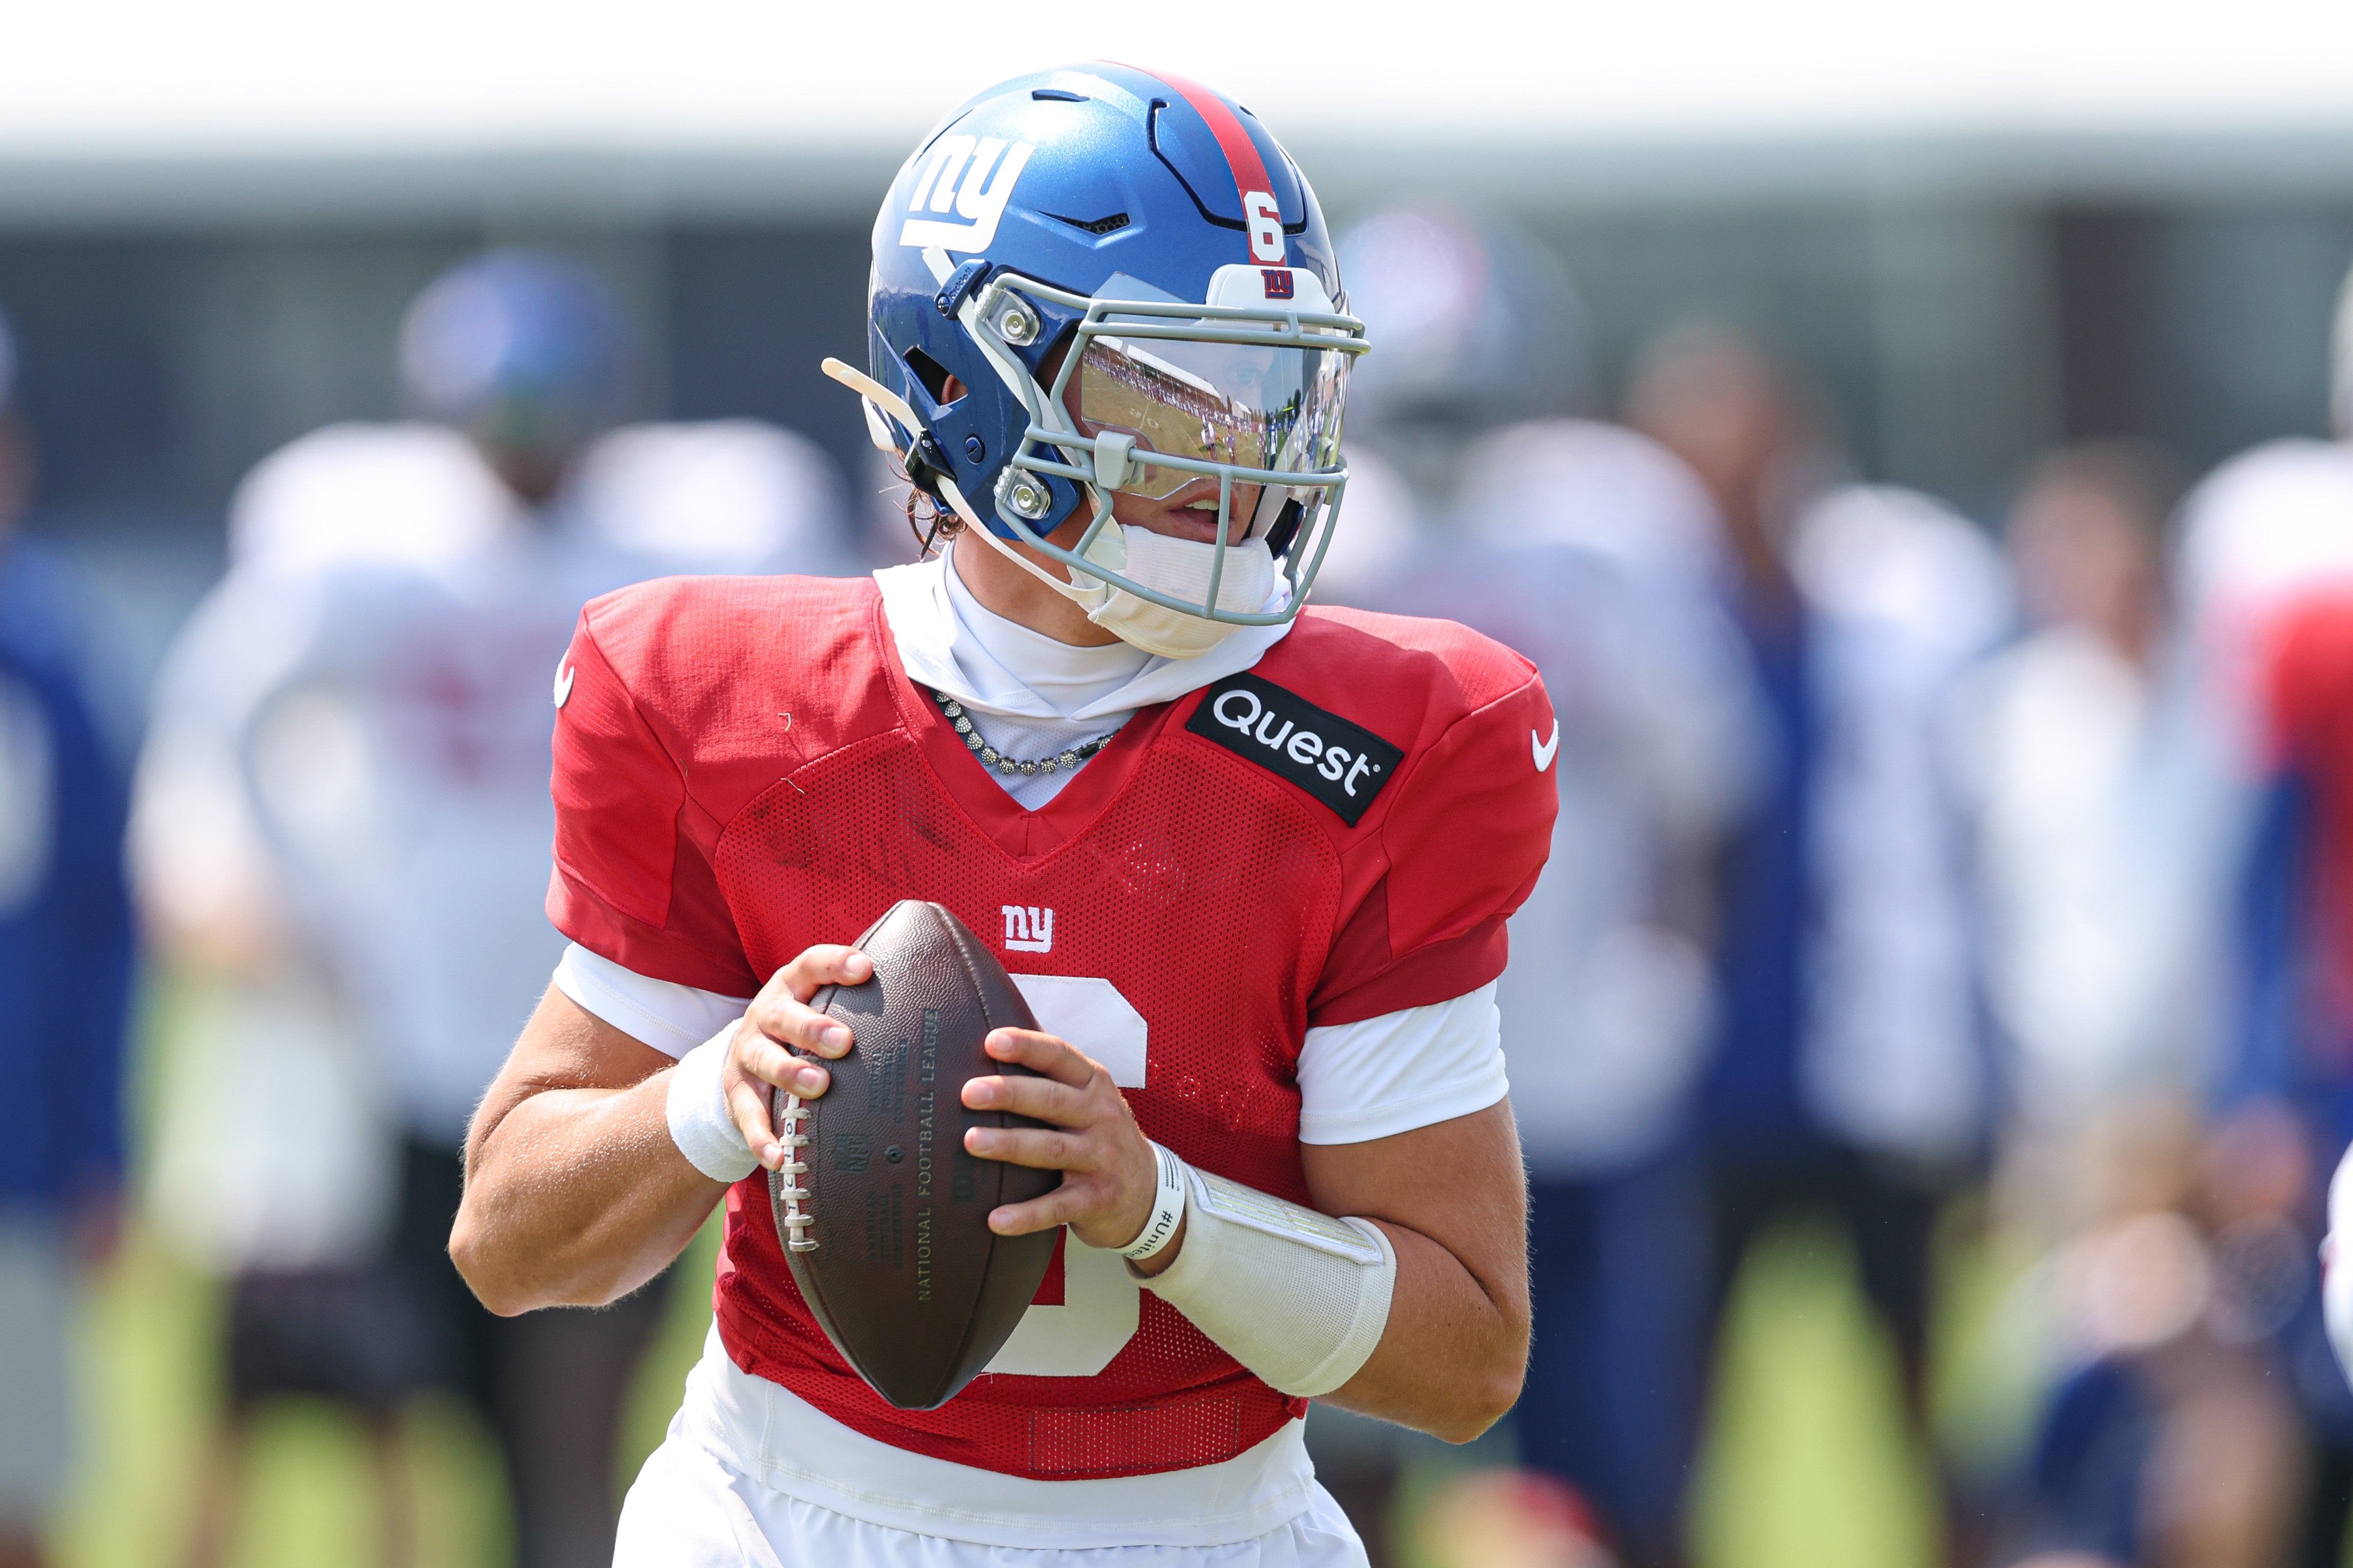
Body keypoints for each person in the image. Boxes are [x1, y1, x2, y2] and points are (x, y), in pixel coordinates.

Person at [449, 63, 1556, 1568]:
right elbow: (511, 1241)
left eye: (1270, 379)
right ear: (974, 377)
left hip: (1203, 1533)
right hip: (789, 1521)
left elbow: (1467, 1355)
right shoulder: (728, 702)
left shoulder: (1379, 741)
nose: (1240, 443)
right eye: (1171, 380)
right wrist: (718, 1092)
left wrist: (1162, 1211)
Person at [134, 250, 847, 1568]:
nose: (527, 447)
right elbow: (216, 721)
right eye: (502, 416)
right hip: (416, 1047)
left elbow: (831, 711)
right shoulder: (377, 549)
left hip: (617, 1036)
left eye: (550, 412)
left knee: (572, 1412)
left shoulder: (682, 539)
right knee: (432, 1408)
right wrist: (286, 892)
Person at [1324, 203, 1760, 1568]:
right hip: (1375, 1070)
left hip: (1578, 1074)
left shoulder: (1610, 528)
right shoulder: (1316, 532)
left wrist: (1671, 969)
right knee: (1344, 1460)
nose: (1445, 434)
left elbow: (1709, 785)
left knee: (1613, 1455)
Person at [1625, 322, 2009, 1554]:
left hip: (1872, 1075)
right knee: (1674, 1407)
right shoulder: (1653, 632)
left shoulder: (1894, 610)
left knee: (1925, 1392)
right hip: (1704, 1084)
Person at [0, 308, 138, 1568]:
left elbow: (100, 917)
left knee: (20, 1476)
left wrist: (98, 1138)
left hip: (16, 1147)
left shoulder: (46, 648)